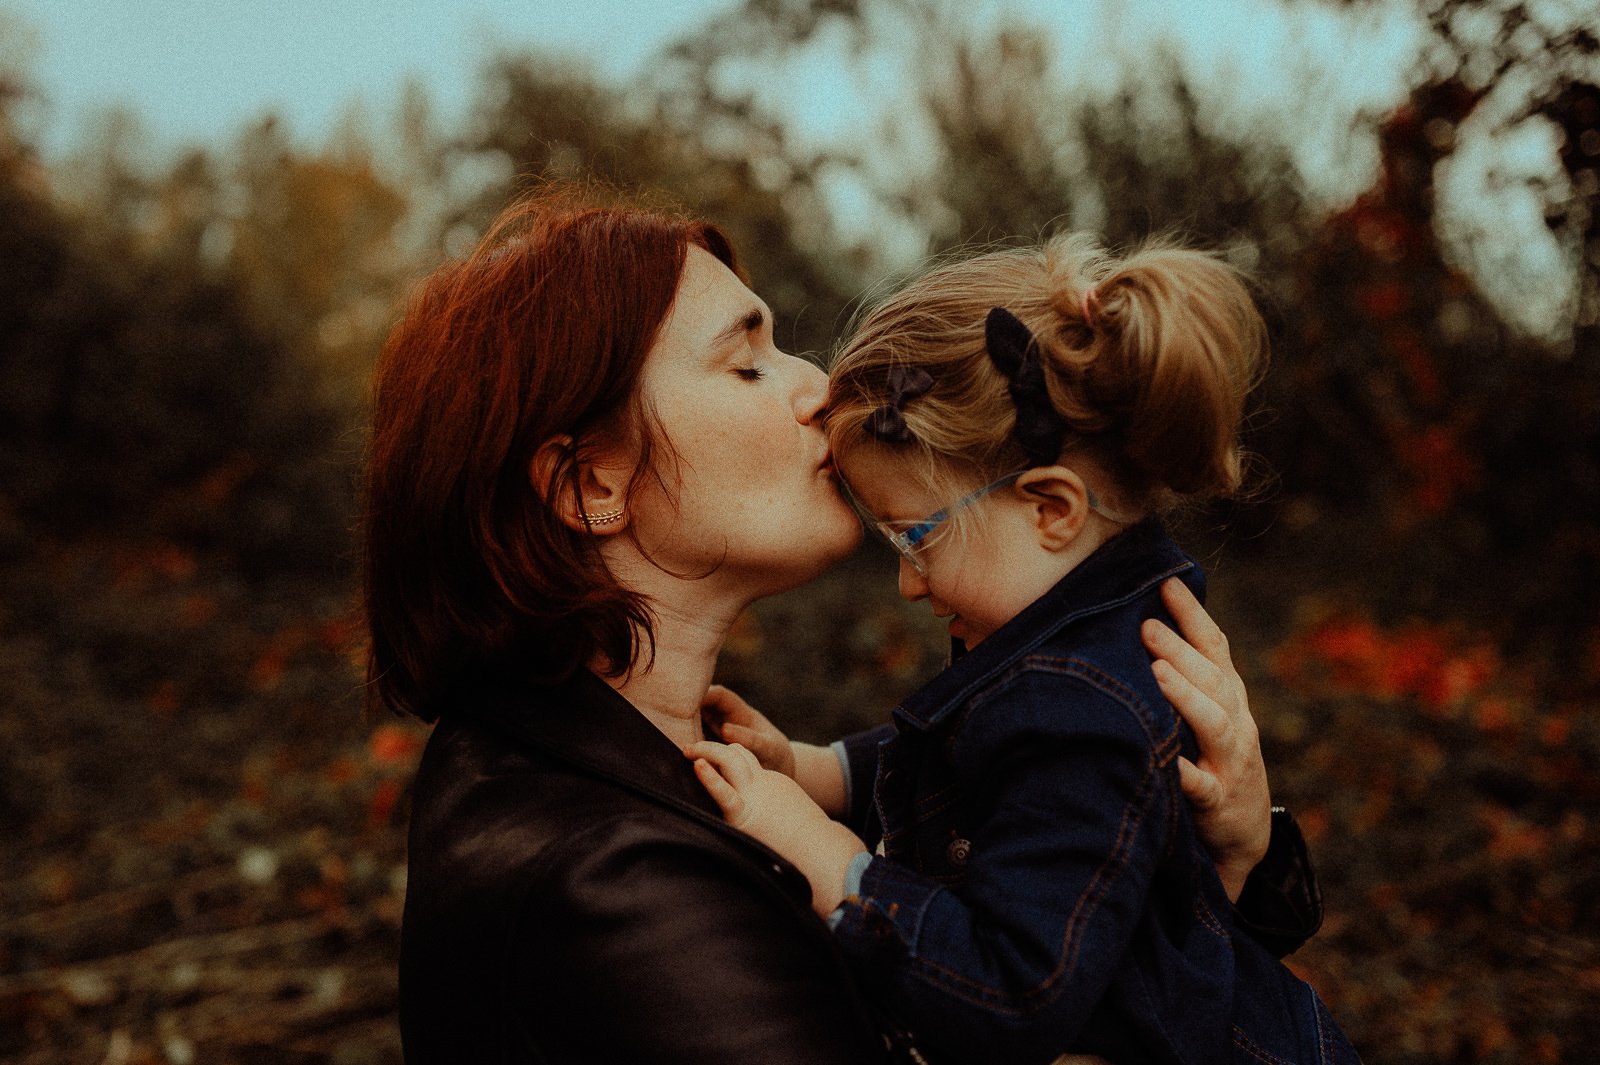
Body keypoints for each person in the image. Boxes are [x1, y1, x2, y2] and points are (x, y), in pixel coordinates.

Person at [365, 191, 1322, 1064]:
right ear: (592, 485)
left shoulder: (611, 765)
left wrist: (1230, 852)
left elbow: (1039, 907)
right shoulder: (613, 888)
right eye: (745, 363)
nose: (818, 388)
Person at [686, 233, 1357, 1064]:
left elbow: (1015, 989)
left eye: (914, 537)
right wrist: (814, 768)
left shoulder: (1078, 704)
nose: (908, 582)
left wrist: (838, 865)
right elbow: (966, 771)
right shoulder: (1069, 649)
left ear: (1051, 508)